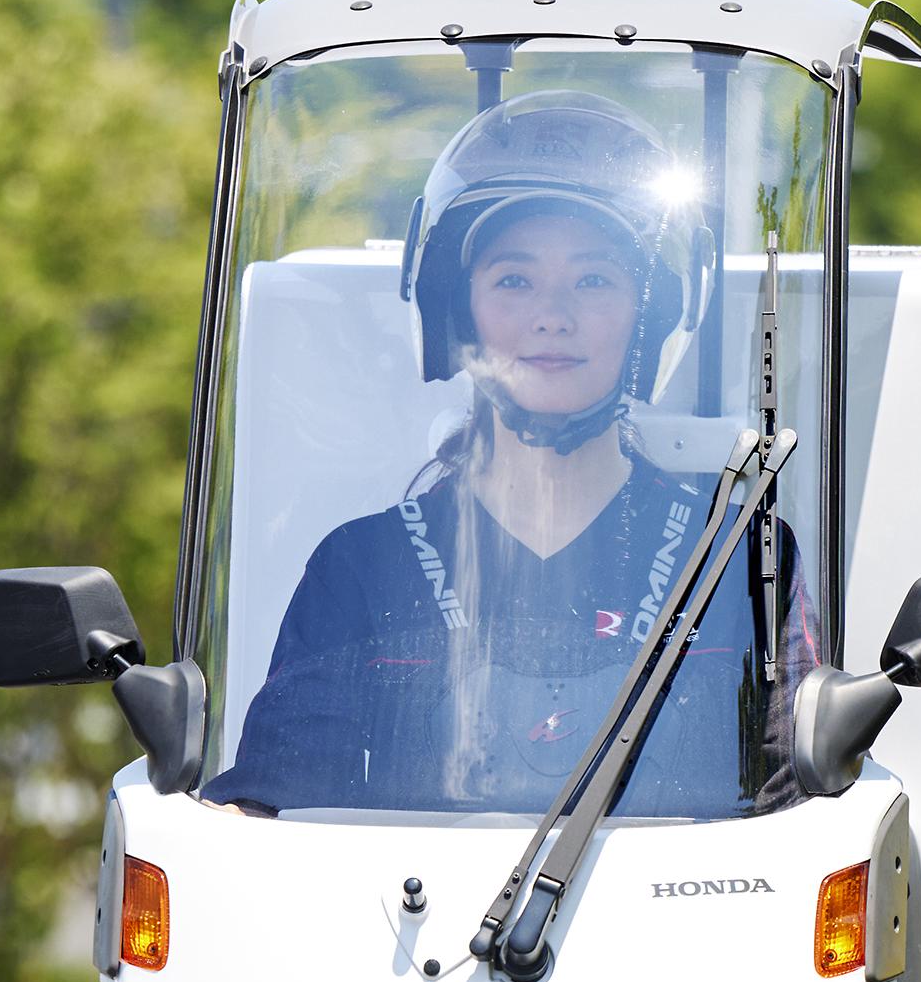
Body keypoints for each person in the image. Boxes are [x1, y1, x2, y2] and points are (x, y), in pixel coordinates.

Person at [217, 91, 783, 815]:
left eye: (594, 278)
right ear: (457, 311)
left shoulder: (739, 559)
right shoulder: (360, 569)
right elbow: (271, 820)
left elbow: (802, 814)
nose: (553, 315)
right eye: (513, 279)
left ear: (649, 317)